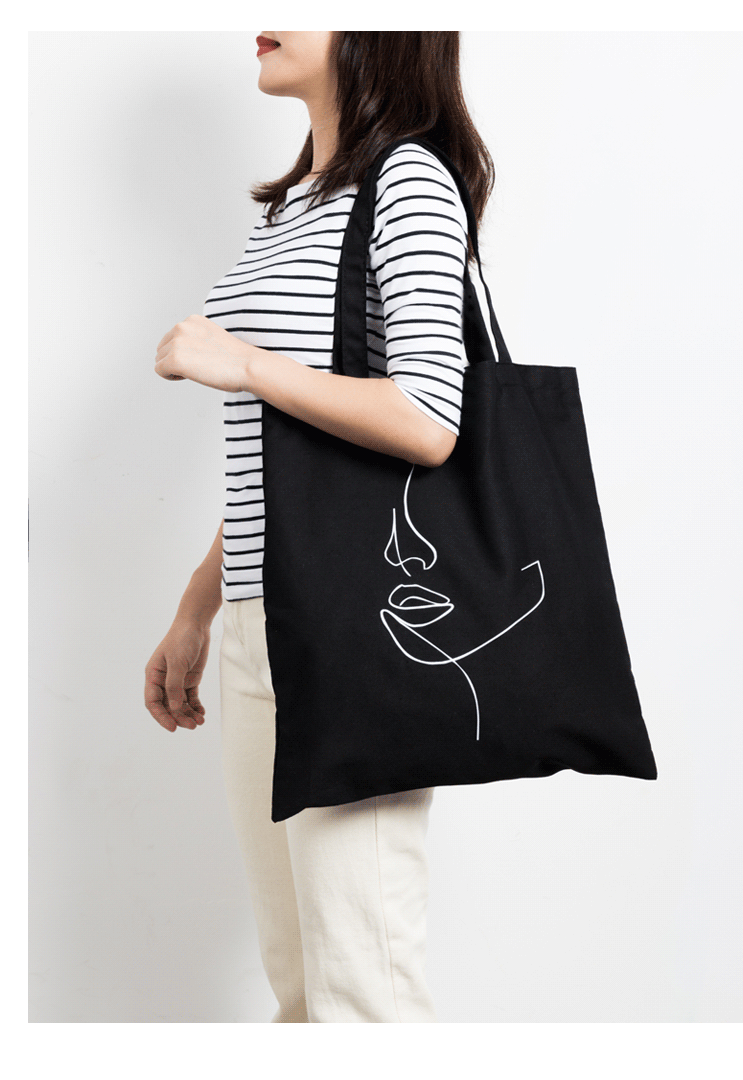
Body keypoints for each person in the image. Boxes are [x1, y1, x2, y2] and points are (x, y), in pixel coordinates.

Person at [144, 31, 495, 1024]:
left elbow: (428, 417)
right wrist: (199, 608)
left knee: (360, 987)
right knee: (300, 983)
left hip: (355, 626)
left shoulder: (409, 180)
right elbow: (292, 457)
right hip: (266, 622)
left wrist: (243, 364)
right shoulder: (294, 205)